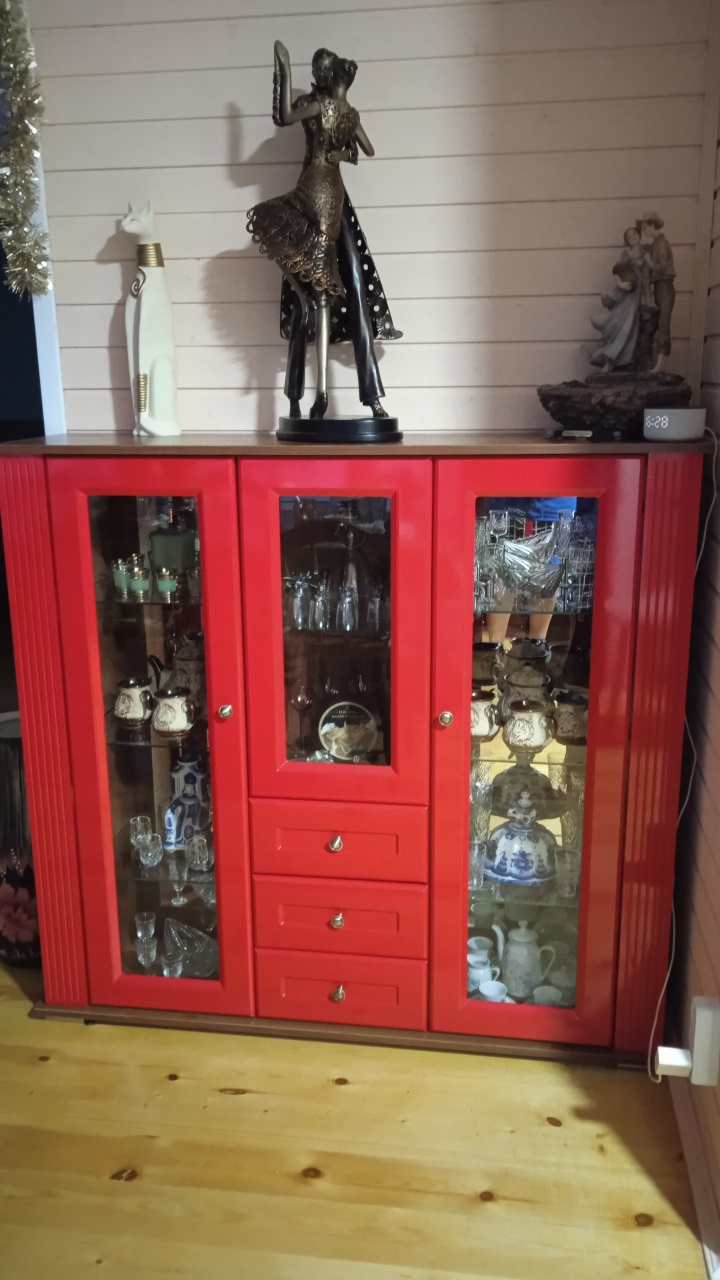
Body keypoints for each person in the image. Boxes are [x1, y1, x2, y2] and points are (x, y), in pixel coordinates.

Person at [247, 44, 400, 420]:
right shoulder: (319, 106)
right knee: (305, 299)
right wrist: (282, 72)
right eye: (318, 70)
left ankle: (371, 397)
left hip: (335, 200)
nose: (321, 76)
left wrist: (342, 154)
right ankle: (296, 397)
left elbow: (363, 150)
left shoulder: (338, 110)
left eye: (325, 70)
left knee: (355, 287)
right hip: (311, 200)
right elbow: (285, 117)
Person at [638, 211, 675, 374]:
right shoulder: (654, 244)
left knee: (663, 323)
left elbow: (662, 267)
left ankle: (661, 363)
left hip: (665, 286)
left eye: (645, 228)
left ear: (653, 226)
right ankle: (655, 362)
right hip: (659, 286)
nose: (644, 232)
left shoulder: (661, 244)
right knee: (657, 323)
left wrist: (649, 262)